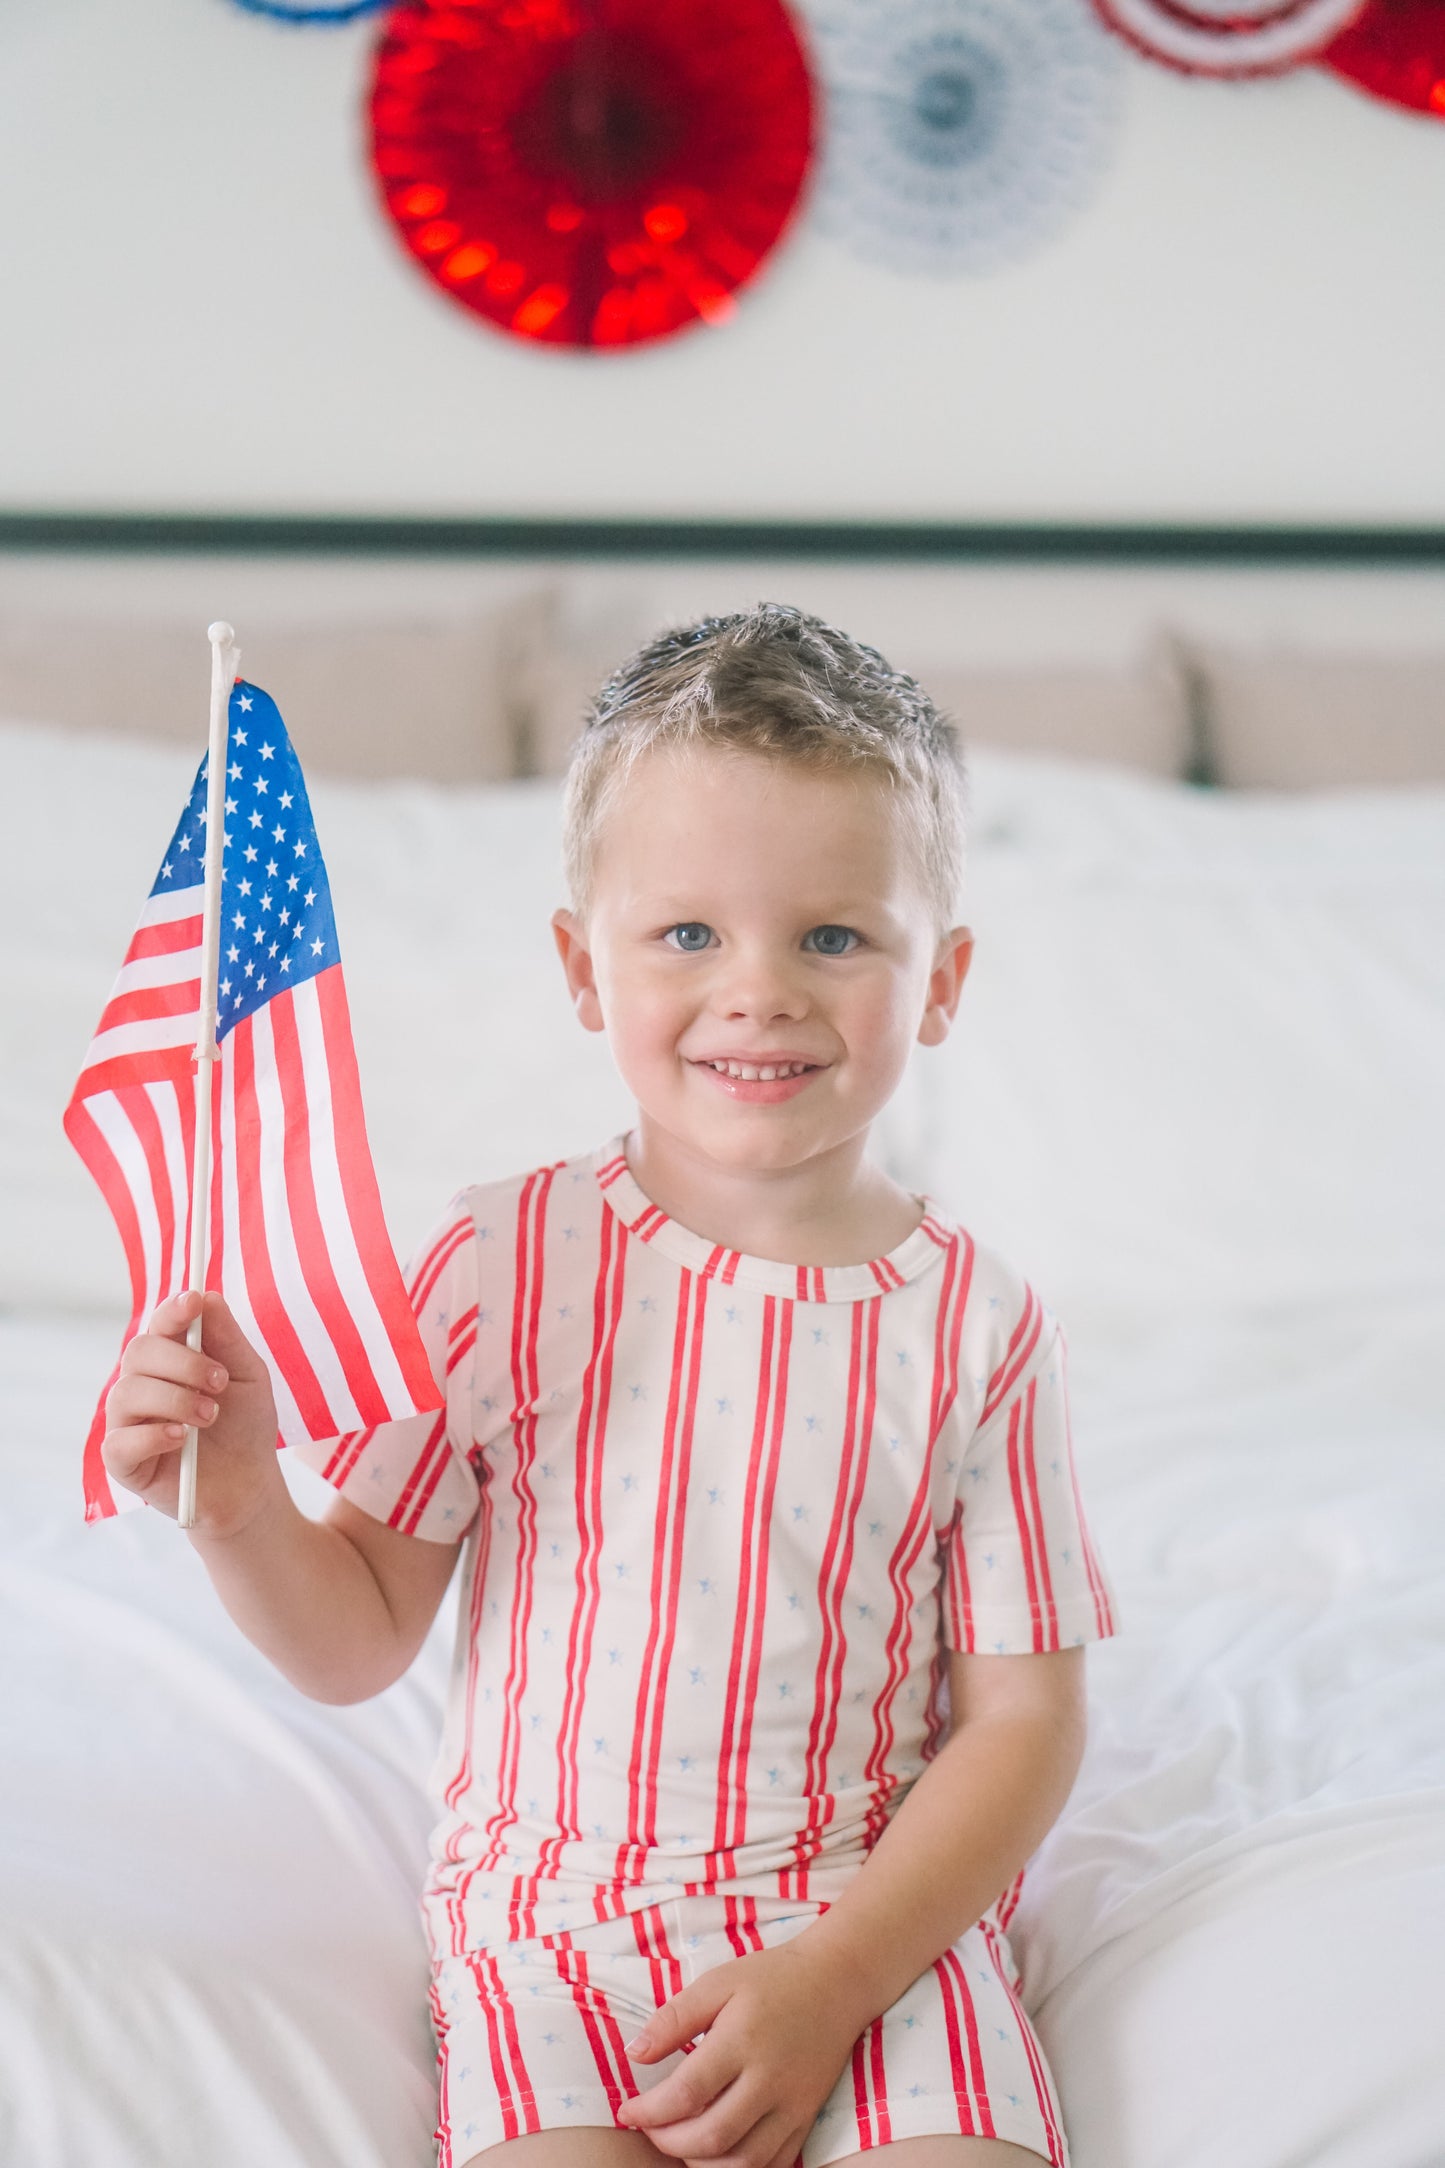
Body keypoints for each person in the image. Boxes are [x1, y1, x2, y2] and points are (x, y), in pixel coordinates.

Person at [103, 604, 1118, 2168]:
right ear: (585, 965)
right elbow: (357, 1628)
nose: (759, 990)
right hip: (556, 1929)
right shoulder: (500, 1264)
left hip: (864, 1922)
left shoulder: (977, 1319)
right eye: (688, 933)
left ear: (941, 979)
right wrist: (238, 1499)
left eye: (833, 935)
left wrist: (837, 1976)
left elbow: (1023, 1722)